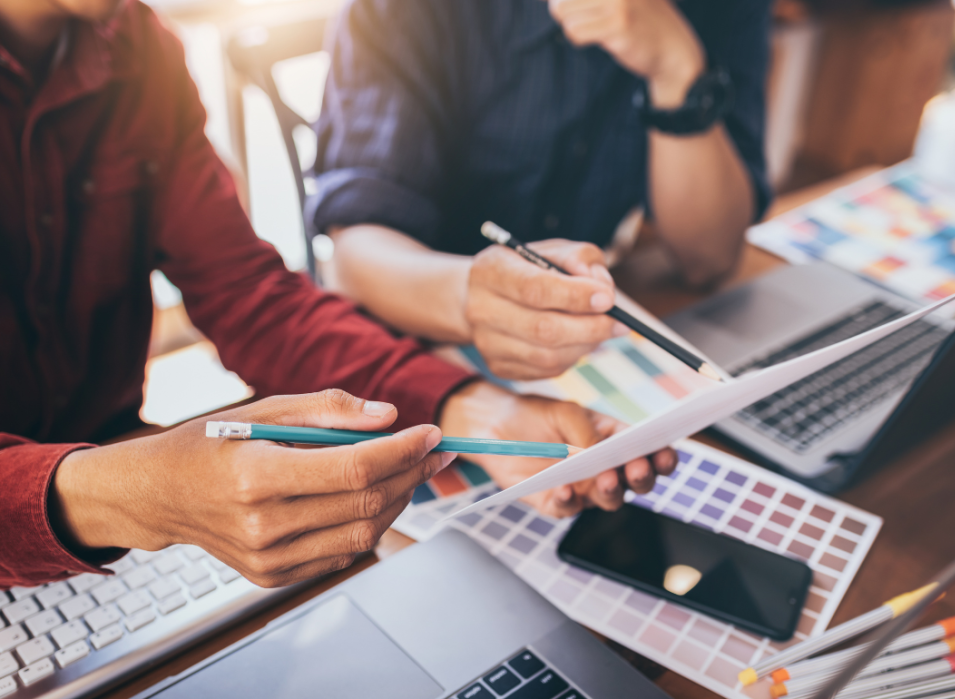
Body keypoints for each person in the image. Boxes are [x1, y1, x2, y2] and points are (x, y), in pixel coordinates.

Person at [0, 0, 676, 589]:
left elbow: (250, 295)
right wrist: (131, 495)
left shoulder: (140, 50)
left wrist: (475, 406)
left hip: (115, 542)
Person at [311, 0, 771, 381]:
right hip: (406, 351)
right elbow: (352, 257)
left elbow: (709, 257)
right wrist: (473, 300)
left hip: (575, 350)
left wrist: (675, 70)